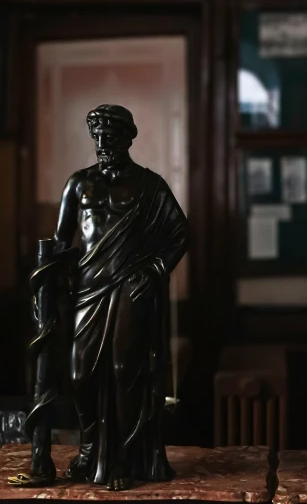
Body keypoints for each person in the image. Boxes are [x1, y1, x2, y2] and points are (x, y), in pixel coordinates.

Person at [52, 104, 190, 490]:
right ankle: (89, 449)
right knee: (80, 374)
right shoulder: (78, 184)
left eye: (110, 135)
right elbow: (62, 242)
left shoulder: (150, 186)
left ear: (128, 137)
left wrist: (155, 270)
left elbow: (180, 234)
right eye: (96, 136)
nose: (102, 143)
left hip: (130, 288)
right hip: (88, 290)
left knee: (123, 371)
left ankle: (124, 458)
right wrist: (49, 275)